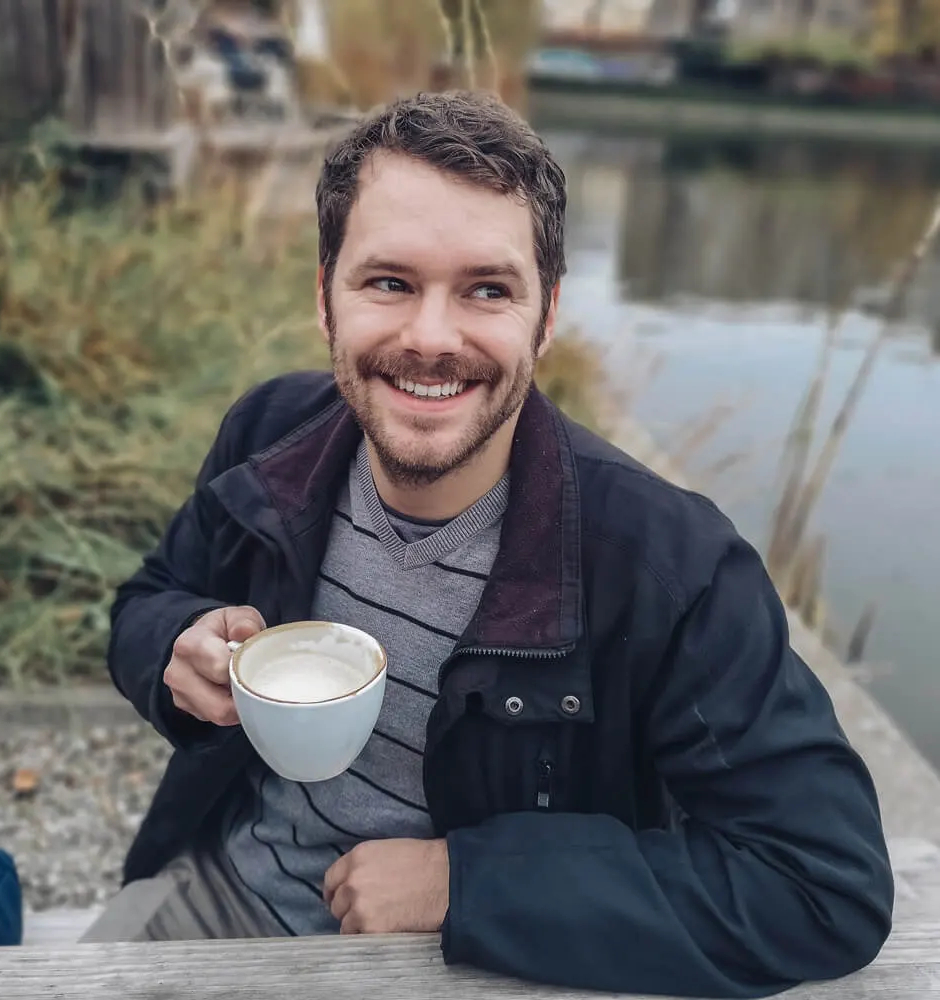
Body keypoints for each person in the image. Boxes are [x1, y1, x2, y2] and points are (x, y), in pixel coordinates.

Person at [86, 90, 894, 998]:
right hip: (223, 903)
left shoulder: (671, 567)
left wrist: (470, 879)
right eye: (389, 282)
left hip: (491, 962)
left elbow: (824, 884)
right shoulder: (269, 436)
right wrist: (173, 649)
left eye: (487, 290)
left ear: (546, 317)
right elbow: (148, 599)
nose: (432, 339)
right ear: (326, 300)